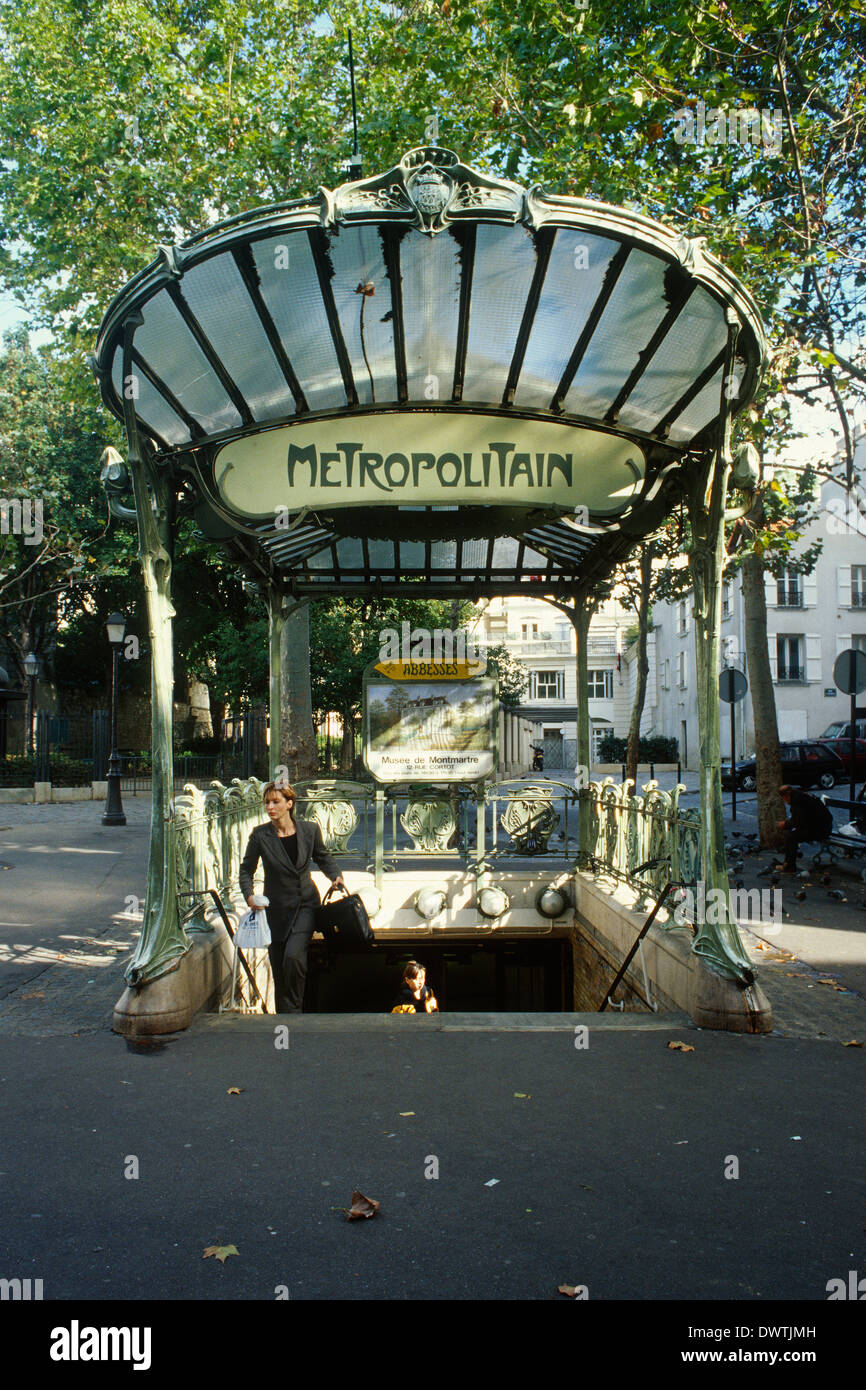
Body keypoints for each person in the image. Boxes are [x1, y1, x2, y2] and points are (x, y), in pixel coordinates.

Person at [239, 781, 345, 1013]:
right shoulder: (260, 836)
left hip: (305, 905)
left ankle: (295, 1013)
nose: (270, 807)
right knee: (279, 967)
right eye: (267, 802)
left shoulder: (309, 830)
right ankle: (284, 1018)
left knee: (294, 958)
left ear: (289, 803)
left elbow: (323, 856)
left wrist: (335, 876)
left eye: (275, 802)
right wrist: (249, 897)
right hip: (275, 911)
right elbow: (246, 869)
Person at [774, 784, 833, 872]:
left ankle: (789, 866)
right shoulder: (802, 795)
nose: (785, 801)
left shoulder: (797, 801)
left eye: (784, 799)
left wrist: (785, 824)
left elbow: (798, 821)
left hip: (820, 830)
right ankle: (788, 862)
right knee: (792, 835)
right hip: (822, 826)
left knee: (791, 837)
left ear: (786, 796)